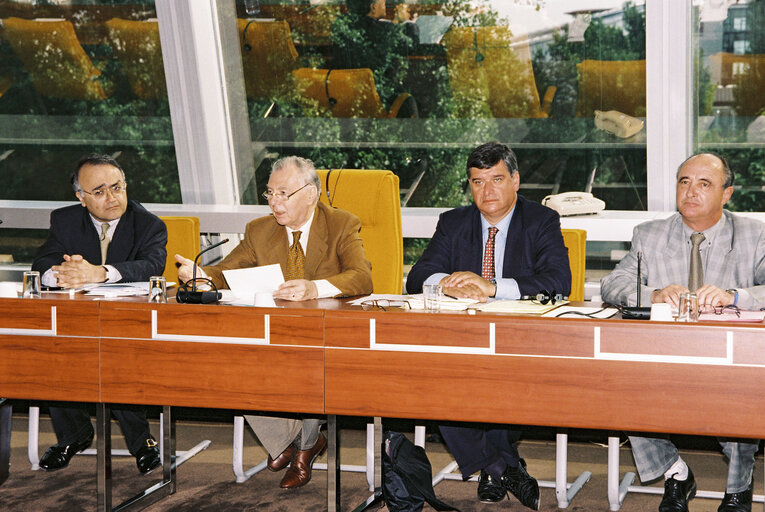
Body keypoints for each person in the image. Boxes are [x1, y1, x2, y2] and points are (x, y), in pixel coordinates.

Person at [175, 156, 372, 488]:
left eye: (284, 193)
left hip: (323, 337)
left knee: (311, 362)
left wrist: (314, 287)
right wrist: (199, 275)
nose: (275, 202)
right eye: (270, 193)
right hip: (271, 335)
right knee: (233, 356)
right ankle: (296, 443)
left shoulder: (342, 224)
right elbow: (225, 273)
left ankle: (303, 448)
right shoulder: (259, 230)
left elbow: (361, 277)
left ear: (310, 194)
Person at [406, 142, 571, 509]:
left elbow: (560, 281)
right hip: (461, 339)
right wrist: (449, 282)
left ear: (515, 180)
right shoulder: (454, 221)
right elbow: (417, 277)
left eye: (497, 179)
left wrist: (492, 287)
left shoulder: (541, 220)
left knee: (495, 374)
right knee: (434, 372)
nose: (488, 191)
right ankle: (502, 465)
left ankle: (494, 466)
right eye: (478, 182)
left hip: (521, 342)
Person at [601, 152, 765, 512]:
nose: (691, 191)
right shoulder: (649, 234)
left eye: (704, 184)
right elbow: (613, 285)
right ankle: (676, 473)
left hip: (730, 355)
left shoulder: (755, 235)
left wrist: (735, 295)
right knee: (623, 383)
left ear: (727, 194)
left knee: (745, 386)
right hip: (664, 354)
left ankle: (738, 488)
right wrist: (653, 294)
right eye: (684, 182)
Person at [31, 153, 166, 475]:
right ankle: (73, 436)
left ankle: (142, 442)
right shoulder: (64, 220)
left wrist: (99, 273)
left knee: (115, 359)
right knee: (54, 353)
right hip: (77, 320)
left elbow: (152, 266)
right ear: (81, 197)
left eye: (118, 187)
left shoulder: (147, 223)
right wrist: (63, 274)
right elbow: (42, 263)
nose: (112, 198)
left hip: (128, 322)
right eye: (100, 191)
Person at [331, 0, 419, 113]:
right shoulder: (383, 29)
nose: (385, 5)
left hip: (344, 99)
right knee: (409, 98)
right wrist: (408, 22)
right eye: (383, 3)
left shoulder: (340, 25)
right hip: (375, 101)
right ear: (373, 7)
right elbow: (411, 45)